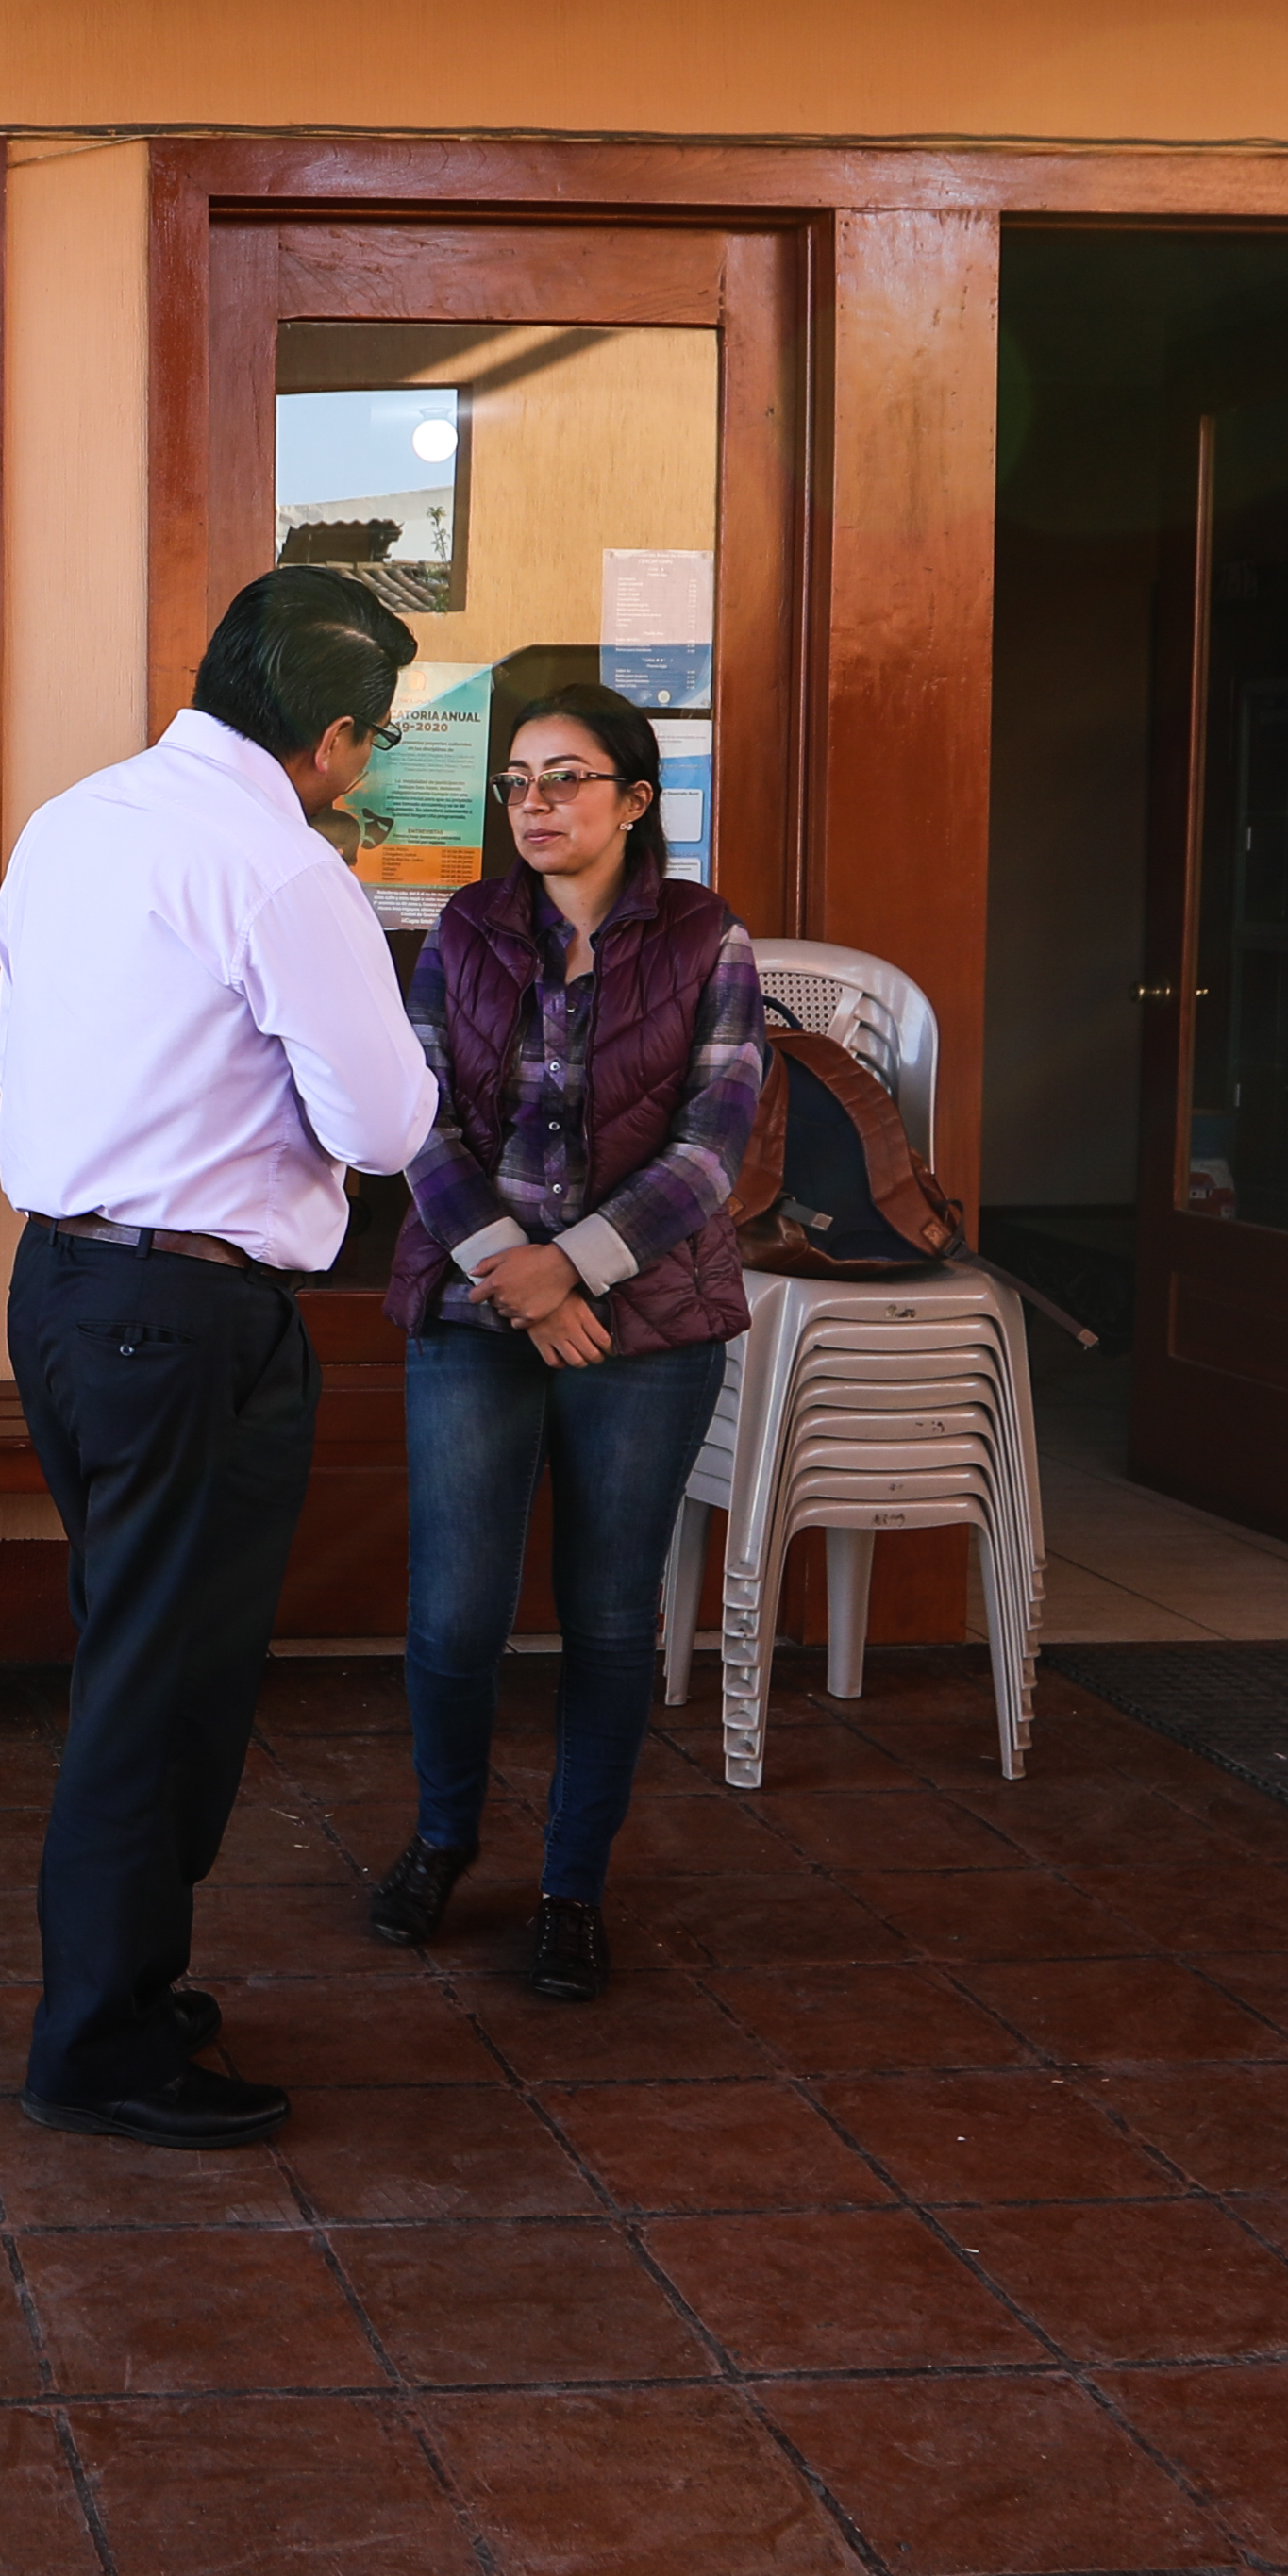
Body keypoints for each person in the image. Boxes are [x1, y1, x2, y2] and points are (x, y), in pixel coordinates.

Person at [0, 566, 436, 2149]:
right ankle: (99, 2039)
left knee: (146, 1660)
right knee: (156, 1682)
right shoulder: (280, 867)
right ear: (329, 736)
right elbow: (380, 1124)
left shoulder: (74, 820)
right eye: (371, 743)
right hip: (185, 1319)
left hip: (62, 1290)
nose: (364, 772)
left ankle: (127, 1985)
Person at [375, 689, 762, 2006]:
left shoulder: (707, 936)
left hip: (643, 1317)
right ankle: (441, 1840)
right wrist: (513, 1271)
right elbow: (412, 1120)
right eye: (517, 783)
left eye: (567, 779)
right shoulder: (463, 931)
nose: (535, 805)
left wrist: (577, 1267)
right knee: (454, 1613)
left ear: (635, 801)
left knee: (607, 1617)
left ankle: (570, 1886)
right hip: (480, 1299)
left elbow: (713, 1148)